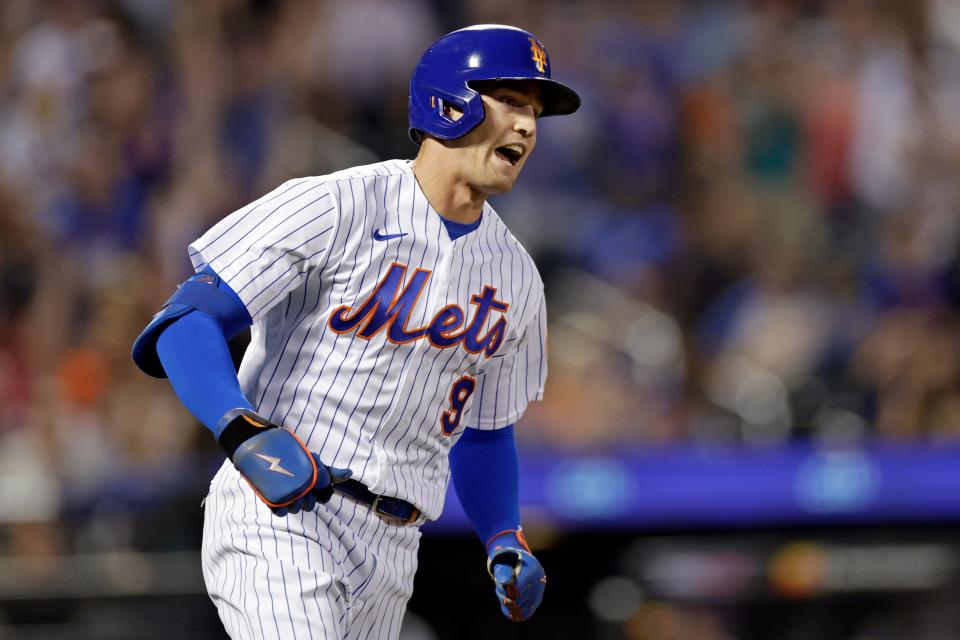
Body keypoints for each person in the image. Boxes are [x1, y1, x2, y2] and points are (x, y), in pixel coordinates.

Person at [132, 24, 579, 639]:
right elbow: (185, 323)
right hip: (282, 515)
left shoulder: (518, 278)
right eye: (510, 102)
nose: (527, 126)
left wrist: (503, 535)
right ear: (449, 100)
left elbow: (485, 432)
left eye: (534, 112)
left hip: (396, 547)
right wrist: (239, 428)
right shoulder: (339, 204)